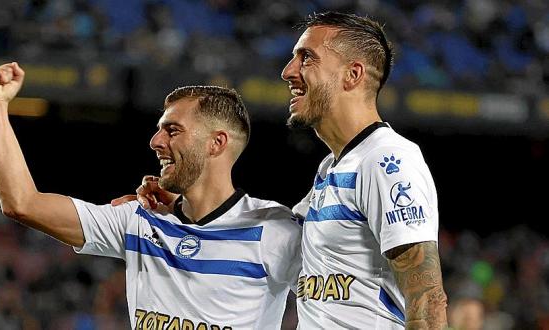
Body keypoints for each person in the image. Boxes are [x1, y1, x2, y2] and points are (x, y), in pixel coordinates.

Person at [125, 11, 448, 329]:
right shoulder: (332, 169)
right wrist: (182, 208)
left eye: (307, 58)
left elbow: (427, 296)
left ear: (352, 74)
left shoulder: (387, 159)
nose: (288, 71)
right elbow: (276, 235)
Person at [0, 62, 302, 330]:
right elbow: (22, 203)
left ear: (216, 143)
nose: (155, 141)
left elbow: (341, 299)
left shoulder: (272, 229)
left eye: (172, 130)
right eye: (160, 129)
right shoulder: (140, 218)